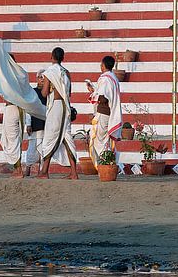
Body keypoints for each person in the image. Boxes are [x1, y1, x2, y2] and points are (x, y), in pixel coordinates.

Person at [39, 47, 78, 180]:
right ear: (63, 58)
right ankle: (74, 172)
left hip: (55, 107)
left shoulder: (49, 72)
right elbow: (69, 93)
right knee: (66, 137)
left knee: (49, 138)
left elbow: (44, 93)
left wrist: (43, 86)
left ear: (52, 57)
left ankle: (44, 171)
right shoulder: (67, 73)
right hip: (65, 107)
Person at [87, 56, 123, 165]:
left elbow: (103, 98)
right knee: (105, 140)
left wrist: (94, 95)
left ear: (103, 65)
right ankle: (108, 164)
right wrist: (94, 91)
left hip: (103, 113)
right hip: (108, 113)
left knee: (99, 141)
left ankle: (104, 165)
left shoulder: (105, 78)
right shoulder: (113, 78)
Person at [0, 101, 26, 177]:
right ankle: (16, 169)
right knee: (13, 141)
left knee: (12, 142)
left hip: (12, 108)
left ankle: (19, 170)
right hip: (14, 109)